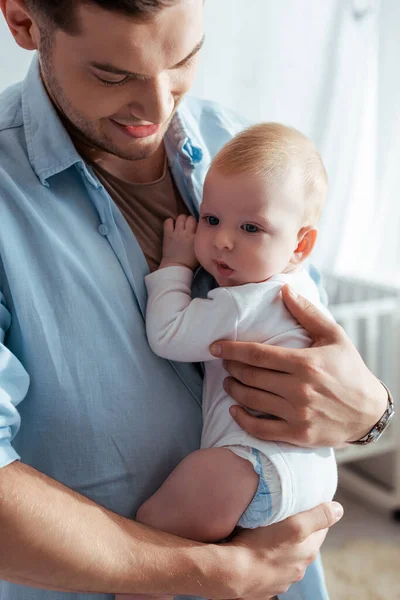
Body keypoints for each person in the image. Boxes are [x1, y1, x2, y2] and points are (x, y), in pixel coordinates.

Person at [0, 1, 390, 599]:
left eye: (184, 59)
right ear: (24, 22)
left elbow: (317, 341)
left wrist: (370, 414)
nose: (158, 109)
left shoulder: (236, 142)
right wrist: (206, 573)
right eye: (113, 75)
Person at [122, 123, 338, 600]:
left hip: (248, 466)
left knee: (150, 539)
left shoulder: (246, 302)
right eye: (211, 219)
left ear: (300, 246)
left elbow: (168, 334)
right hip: (309, 476)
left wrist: (175, 264)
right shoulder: (303, 290)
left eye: (250, 228)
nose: (221, 242)